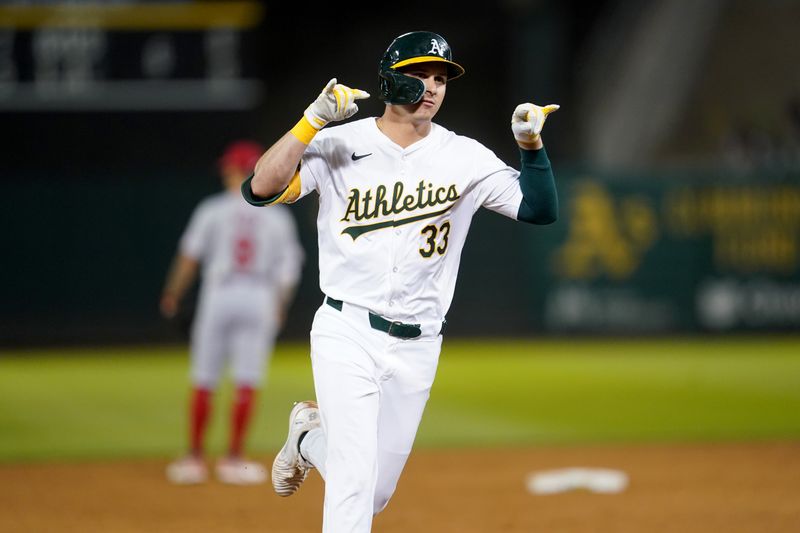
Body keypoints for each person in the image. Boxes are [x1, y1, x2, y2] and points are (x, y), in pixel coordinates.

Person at [243, 31, 559, 530]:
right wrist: (312, 121)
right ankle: (317, 443)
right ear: (390, 79)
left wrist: (531, 145)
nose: (432, 86)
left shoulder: (466, 156)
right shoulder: (339, 142)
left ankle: (307, 438)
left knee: (374, 493)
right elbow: (260, 187)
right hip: (346, 330)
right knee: (351, 487)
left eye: (440, 78)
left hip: (418, 343)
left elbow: (539, 209)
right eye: (419, 75)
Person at [160, 139, 304, 485]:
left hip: (219, 294)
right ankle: (233, 458)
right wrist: (280, 306)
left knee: (204, 376)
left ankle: (194, 460)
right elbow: (288, 272)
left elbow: (189, 257)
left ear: (230, 170)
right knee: (247, 379)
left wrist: (172, 293)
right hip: (259, 297)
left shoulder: (212, 209)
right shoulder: (278, 215)